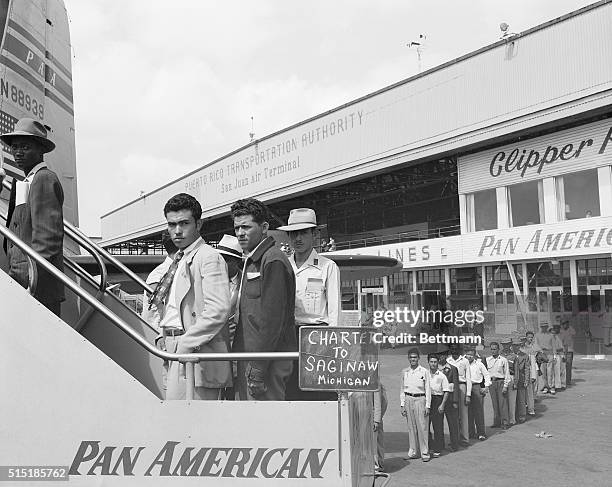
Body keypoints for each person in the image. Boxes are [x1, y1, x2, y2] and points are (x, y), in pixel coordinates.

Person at [151, 193, 232, 400]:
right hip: (172, 345)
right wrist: (163, 335)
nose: (177, 231)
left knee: (191, 425)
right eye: (171, 224)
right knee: (176, 421)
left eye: (184, 223)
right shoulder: (179, 259)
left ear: (199, 224)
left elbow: (219, 309)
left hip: (195, 351)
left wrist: (187, 342)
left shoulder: (208, 257)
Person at [231, 198, 296, 401]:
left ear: (264, 227)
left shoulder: (273, 260)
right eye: (237, 228)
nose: (240, 233)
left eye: (246, 227)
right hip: (250, 359)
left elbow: (272, 321)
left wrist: (258, 369)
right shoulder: (251, 261)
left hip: (267, 362)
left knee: (267, 425)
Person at [1, 118, 64, 316]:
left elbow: (48, 238)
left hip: (36, 285)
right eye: (15, 147)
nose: (18, 152)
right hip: (21, 277)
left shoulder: (44, 178)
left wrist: (32, 277)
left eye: (25, 147)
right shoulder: (26, 181)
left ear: (40, 151)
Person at [278, 208, 341, 401]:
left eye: (303, 232)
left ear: (315, 234)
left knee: (319, 392)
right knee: (289, 392)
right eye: (293, 233)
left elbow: (334, 311)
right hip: (288, 336)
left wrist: (333, 346)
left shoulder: (327, 266)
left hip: (317, 337)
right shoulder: (283, 265)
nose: (298, 238)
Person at [141, 232, 178, 394]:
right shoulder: (160, 274)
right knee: (170, 385)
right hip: (162, 337)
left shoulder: (168, 270)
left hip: (167, 337)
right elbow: (162, 306)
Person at [215, 234, 244, 400]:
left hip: (238, 343)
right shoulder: (211, 280)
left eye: (226, 259)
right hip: (216, 343)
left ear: (236, 261)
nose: (222, 263)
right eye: (220, 258)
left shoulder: (246, 280)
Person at [400, 348, 431, 462]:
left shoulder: (424, 371)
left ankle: (424, 452)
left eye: (415, 357)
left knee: (422, 427)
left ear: (418, 358)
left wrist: (428, 405)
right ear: (408, 358)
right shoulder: (405, 371)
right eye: (411, 357)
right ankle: (413, 451)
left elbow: (427, 389)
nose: (413, 359)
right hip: (408, 399)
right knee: (411, 427)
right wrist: (402, 404)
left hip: (420, 399)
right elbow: (402, 389)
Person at [446, 344, 472, 446]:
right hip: (451, 387)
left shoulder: (464, 361)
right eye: (452, 349)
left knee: (463, 414)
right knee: (453, 415)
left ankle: (465, 439)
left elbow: (469, 378)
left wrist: (468, 395)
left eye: (456, 349)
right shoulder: (448, 361)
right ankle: (455, 439)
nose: (454, 351)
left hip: (461, 387)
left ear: (459, 350)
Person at [427, 353, 450, 458]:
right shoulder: (425, 374)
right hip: (427, 400)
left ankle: (438, 448)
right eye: (431, 362)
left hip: (437, 400)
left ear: (438, 363)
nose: (433, 364)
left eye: (435, 362)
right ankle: (429, 446)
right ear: (428, 363)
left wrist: (442, 405)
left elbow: (446, 391)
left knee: (438, 426)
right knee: (425, 426)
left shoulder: (442, 376)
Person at [437, 347, 460, 452]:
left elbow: (455, 385)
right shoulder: (434, 368)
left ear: (446, 356)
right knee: (438, 424)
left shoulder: (452, 368)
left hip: (450, 399)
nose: (441, 357)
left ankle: (455, 445)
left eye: (443, 355)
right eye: (439, 355)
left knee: (453, 423)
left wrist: (455, 401)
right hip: (438, 399)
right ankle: (440, 445)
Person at [465, 347, 490, 441]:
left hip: (476, 387)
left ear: (475, 355)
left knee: (478, 411)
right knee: (468, 411)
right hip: (467, 387)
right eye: (468, 354)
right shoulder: (463, 364)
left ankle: (481, 433)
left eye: (471, 354)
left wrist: (486, 386)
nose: (469, 356)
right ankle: (471, 432)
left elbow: (487, 375)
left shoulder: (479, 364)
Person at [486, 342, 511, 429]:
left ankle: (505, 423)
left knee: (502, 403)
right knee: (495, 403)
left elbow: (507, 374)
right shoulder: (487, 360)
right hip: (492, 383)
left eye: (495, 349)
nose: (493, 351)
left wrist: (505, 386)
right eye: (492, 349)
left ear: (498, 349)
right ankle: (496, 422)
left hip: (500, 382)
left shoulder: (503, 360)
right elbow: (486, 373)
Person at [512, 338, 531, 423]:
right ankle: (513, 416)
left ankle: (522, 416)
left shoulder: (524, 355)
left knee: (521, 399)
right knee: (512, 399)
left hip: (521, 379)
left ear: (520, 346)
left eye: (517, 345)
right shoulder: (510, 355)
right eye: (514, 345)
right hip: (512, 379)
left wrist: (526, 380)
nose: (515, 347)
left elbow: (527, 369)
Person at [500, 338, 518, 426]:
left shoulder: (514, 356)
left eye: (507, 344)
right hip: (502, 378)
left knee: (511, 400)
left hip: (511, 377)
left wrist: (515, 382)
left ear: (510, 344)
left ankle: (512, 419)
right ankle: (503, 420)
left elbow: (516, 370)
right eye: (504, 344)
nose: (505, 346)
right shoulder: (499, 355)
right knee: (503, 401)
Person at [521, 331, 539, 416]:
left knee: (530, 391)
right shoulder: (518, 349)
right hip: (522, 373)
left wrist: (533, 376)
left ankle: (531, 409)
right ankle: (524, 406)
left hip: (530, 371)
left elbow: (533, 362)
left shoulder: (530, 349)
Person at [373, 382, 388, 472]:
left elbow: (381, 402)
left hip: (374, 417)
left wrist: (377, 419)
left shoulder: (375, 382)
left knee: (376, 443)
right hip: (363, 417)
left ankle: (377, 466)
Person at [547, 324, 564, 395]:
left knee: (557, 371)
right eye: (551, 332)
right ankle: (550, 386)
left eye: (553, 331)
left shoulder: (557, 338)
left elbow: (561, 347)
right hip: (549, 356)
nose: (552, 333)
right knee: (549, 371)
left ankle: (557, 386)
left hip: (557, 355)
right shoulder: (548, 339)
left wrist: (562, 356)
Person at [535, 323, 552, 393]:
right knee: (543, 371)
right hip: (541, 354)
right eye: (542, 327)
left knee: (550, 370)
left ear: (547, 327)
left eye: (545, 327)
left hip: (549, 353)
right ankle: (545, 386)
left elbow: (553, 345)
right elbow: (536, 345)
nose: (544, 328)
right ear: (541, 327)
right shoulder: (537, 335)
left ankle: (550, 386)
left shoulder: (550, 335)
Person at [560, 318, 576, 387]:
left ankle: (568, 381)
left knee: (568, 366)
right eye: (563, 324)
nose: (564, 325)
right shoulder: (560, 331)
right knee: (561, 367)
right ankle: (561, 381)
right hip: (561, 351)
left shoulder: (570, 330)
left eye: (566, 323)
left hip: (569, 351)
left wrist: (569, 327)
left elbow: (574, 333)